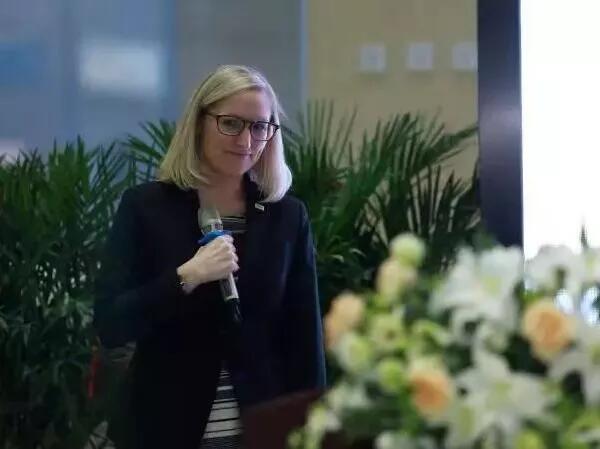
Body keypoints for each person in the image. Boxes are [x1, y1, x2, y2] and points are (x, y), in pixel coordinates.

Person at [94, 65, 326, 449]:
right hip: (165, 427)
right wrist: (185, 277)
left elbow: (304, 341)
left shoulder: (287, 216)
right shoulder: (145, 207)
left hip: (261, 428)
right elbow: (111, 323)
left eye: (260, 127)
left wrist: (314, 431)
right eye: (230, 123)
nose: (246, 140)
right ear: (199, 122)